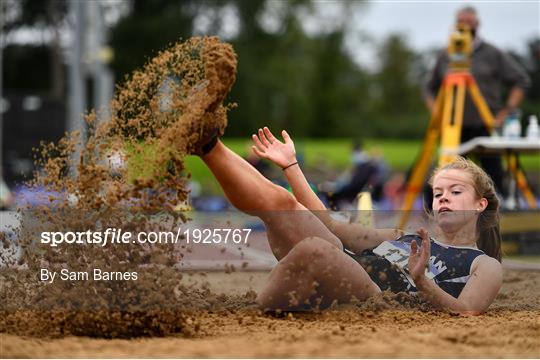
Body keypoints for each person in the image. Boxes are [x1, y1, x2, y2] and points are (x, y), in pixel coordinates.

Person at [193, 126, 503, 315]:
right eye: (438, 193)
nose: (443, 198)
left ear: (480, 204)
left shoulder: (484, 265)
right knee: (283, 204)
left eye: (455, 191)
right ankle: (207, 143)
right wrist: (291, 166)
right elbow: (333, 227)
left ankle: (258, 315)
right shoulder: (404, 236)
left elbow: (467, 310)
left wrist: (421, 281)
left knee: (317, 249)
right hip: (344, 266)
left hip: (378, 300)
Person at [424, 6, 531, 199]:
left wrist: (507, 110)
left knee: (493, 180)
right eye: (461, 22)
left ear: (477, 24)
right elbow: (428, 87)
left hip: (486, 125)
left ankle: (498, 221)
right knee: (446, 178)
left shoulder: (492, 53)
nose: (464, 26)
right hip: (452, 129)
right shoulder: (444, 55)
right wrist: (437, 113)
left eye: (469, 22)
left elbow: (521, 80)